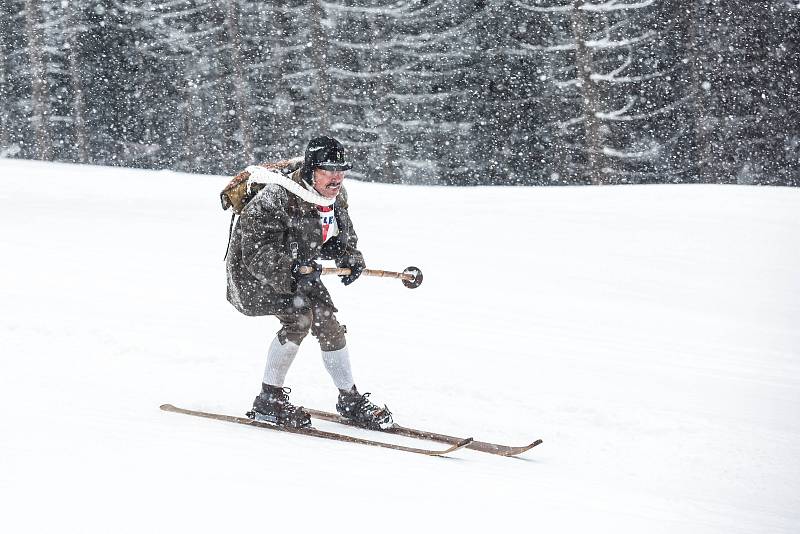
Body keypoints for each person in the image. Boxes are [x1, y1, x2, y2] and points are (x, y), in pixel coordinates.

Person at [225, 136, 393, 430]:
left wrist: (349, 256)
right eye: (329, 169)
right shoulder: (275, 198)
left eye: (341, 169)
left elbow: (342, 238)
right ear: (311, 170)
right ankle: (269, 400)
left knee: (327, 320)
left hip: (302, 271)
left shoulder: (334, 198)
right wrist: (292, 269)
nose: (337, 177)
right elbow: (255, 253)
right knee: (300, 318)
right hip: (254, 276)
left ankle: (350, 400)